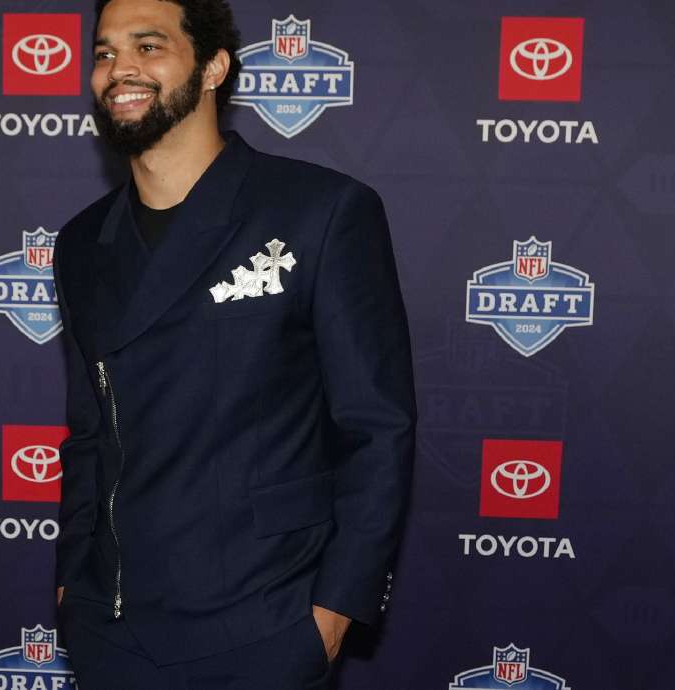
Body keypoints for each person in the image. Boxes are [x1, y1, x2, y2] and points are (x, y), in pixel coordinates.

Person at [51, 0, 416, 687]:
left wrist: (334, 610)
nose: (119, 69)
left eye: (149, 46)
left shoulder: (320, 212)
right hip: (112, 628)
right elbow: (89, 433)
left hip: (262, 623)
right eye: (104, 53)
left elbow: (377, 428)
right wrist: (73, 582)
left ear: (214, 66)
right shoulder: (79, 244)